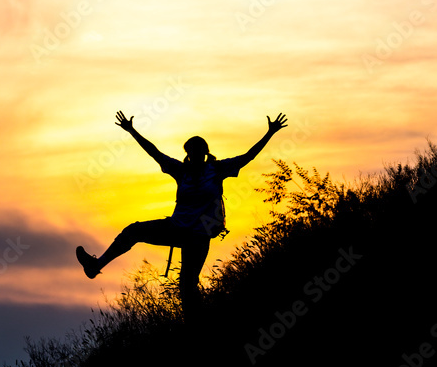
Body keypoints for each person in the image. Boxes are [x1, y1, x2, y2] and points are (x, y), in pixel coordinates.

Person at [76, 109, 288, 322]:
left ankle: (195, 326)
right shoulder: (181, 171)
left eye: (199, 152)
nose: (195, 156)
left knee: (186, 284)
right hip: (176, 228)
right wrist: (132, 131)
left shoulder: (217, 169)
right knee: (133, 231)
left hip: (199, 235)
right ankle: (96, 266)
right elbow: (154, 152)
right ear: (188, 154)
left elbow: (247, 156)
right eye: (192, 152)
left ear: (205, 153)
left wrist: (270, 133)